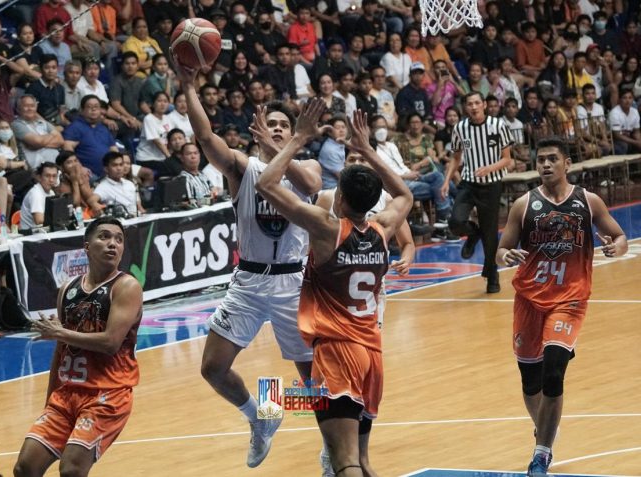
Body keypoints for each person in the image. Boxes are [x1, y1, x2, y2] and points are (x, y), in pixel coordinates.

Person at [175, 61, 322, 468]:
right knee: (212, 368)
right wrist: (189, 85)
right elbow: (204, 136)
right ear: (258, 129)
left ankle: (333, 447)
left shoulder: (307, 167)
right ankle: (261, 415)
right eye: (269, 123)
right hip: (250, 281)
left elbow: (311, 186)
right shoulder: (243, 166)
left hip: (293, 283)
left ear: (294, 133)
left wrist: (285, 148)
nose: (275, 128)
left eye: (283, 125)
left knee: (313, 381)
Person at [255, 106, 413, 477]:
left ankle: (269, 406)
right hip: (372, 351)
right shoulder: (383, 227)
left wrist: (298, 138)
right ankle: (271, 404)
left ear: (339, 198)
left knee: (345, 465)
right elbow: (403, 194)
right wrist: (371, 149)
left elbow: (265, 184)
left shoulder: (328, 228)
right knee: (359, 461)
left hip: (338, 351)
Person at [495, 137, 627, 477]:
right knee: (530, 381)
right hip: (528, 300)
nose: (546, 165)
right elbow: (502, 249)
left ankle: (541, 454)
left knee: (554, 371)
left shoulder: (589, 201)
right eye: (541, 160)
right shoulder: (524, 204)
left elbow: (619, 235)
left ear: (567, 163)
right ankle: (544, 428)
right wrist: (505, 255)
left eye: (553, 159)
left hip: (569, 299)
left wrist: (617, 248)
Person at [13, 216, 143, 477]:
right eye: (104, 237)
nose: (112, 244)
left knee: (71, 469)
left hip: (107, 394)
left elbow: (110, 343)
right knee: (25, 467)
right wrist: (50, 398)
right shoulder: (67, 289)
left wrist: (61, 333)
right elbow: (61, 349)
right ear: (87, 246)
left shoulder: (127, 286)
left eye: (119, 240)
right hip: (66, 394)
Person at [441, 91, 513, 294]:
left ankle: (492, 275)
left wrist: (490, 168)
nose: (473, 107)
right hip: (469, 183)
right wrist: (446, 181)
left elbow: (508, 159)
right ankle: (473, 234)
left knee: (491, 237)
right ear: (466, 107)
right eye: (469, 104)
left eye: (477, 103)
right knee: (455, 222)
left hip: (491, 185)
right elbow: (455, 157)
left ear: (484, 105)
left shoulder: (498, 125)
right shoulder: (460, 128)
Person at [19, 162, 59, 233]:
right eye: (47, 176)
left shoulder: (51, 192)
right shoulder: (35, 193)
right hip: (29, 235)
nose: (51, 180)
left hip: (42, 233)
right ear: (39, 177)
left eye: (54, 176)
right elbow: (39, 221)